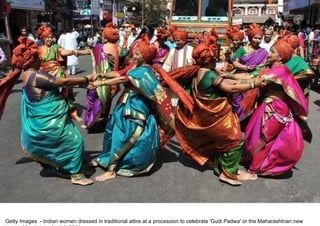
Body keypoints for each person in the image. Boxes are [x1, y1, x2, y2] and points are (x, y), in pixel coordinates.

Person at [156, 30, 259, 186]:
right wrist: (253, 84)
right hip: (216, 116)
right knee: (235, 142)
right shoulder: (209, 74)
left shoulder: (200, 71)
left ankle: (224, 167)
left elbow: (228, 81)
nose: (217, 56)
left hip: (212, 116)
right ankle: (228, 173)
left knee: (223, 143)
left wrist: (242, 79)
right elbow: (229, 88)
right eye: (215, 54)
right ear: (210, 58)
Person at [0, 37, 97, 185]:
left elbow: (56, 85)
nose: (41, 58)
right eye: (38, 56)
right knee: (75, 142)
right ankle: (76, 175)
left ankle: (62, 167)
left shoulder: (27, 75)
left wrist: (82, 85)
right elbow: (63, 82)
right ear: (31, 60)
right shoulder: (36, 75)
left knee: (61, 144)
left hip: (42, 120)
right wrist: (86, 78)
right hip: (50, 123)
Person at [90, 34, 175, 182]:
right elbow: (118, 73)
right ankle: (106, 158)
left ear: (145, 56)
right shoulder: (136, 66)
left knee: (122, 136)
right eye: (134, 53)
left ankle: (111, 170)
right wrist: (101, 74)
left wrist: (100, 83)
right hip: (124, 104)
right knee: (112, 131)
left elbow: (124, 78)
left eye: (137, 53)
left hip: (136, 109)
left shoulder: (144, 71)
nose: (133, 55)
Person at [244, 39, 309, 176]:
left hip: (276, 108)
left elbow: (254, 80)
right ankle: (253, 161)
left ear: (280, 56)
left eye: (272, 52)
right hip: (268, 105)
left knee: (264, 139)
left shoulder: (280, 70)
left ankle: (253, 171)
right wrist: (228, 76)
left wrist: (226, 81)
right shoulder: (269, 68)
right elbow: (252, 76)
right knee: (255, 134)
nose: (269, 54)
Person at [37, 25, 89, 122]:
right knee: (46, 96)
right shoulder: (38, 50)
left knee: (65, 93)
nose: (49, 39)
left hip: (57, 73)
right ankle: (51, 114)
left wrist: (77, 52)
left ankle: (72, 113)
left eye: (50, 37)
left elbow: (64, 52)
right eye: (47, 37)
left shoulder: (56, 47)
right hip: (45, 75)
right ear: (43, 38)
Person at [82, 22, 127, 131]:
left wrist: (76, 52)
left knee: (92, 98)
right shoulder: (120, 50)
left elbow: (88, 51)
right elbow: (124, 62)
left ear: (106, 38)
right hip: (112, 81)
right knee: (107, 101)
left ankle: (90, 121)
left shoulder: (98, 48)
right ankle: (104, 118)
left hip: (98, 79)